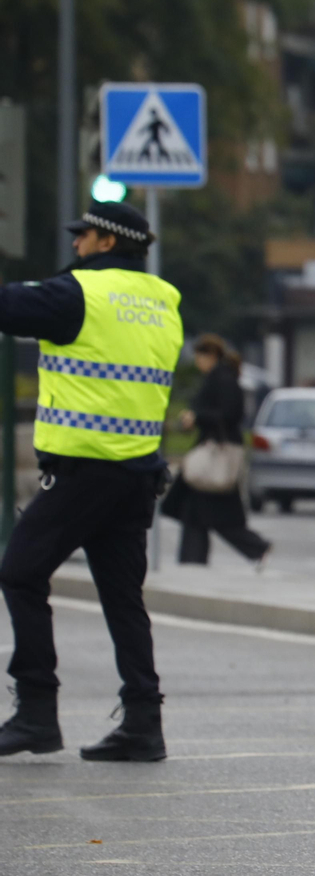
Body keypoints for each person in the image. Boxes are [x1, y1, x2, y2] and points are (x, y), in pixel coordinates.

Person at [0, 200, 183, 763]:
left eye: (83, 237)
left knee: (20, 573)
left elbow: (10, 307)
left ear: (106, 242)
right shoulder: (164, 301)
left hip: (84, 471)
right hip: (137, 475)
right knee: (124, 601)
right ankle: (143, 722)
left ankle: (36, 711)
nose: (74, 245)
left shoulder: (80, 293)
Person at [161, 333, 270, 567]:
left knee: (214, 515)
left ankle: (253, 547)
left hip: (216, 453)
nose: (198, 363)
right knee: (197, 513)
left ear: (209, 356)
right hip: (213, 451)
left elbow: (230, 415)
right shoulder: (220, 377)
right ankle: (193, 560)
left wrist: (197, 417)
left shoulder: (222, 379)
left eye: (199, 357)